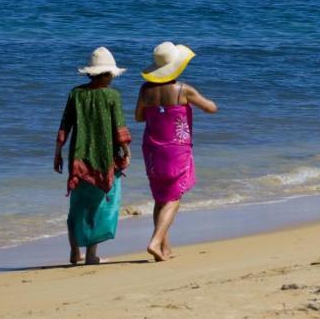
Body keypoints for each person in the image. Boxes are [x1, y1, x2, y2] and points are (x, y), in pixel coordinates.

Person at [135, 41, 217, 262]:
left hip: (152, 147)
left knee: (160, 196)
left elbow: (139, 117)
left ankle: (165, 249)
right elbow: (210, 108)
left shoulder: (145, 90)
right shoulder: (183, 89)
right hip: (176, 149)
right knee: (174, 197)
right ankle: (155, 241)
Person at [54, 47, 132, 265]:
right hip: (104, 159)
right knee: (100, 206)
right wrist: (126, 152)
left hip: (78, 159)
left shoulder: (76, 94)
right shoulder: (112, 96)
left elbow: (64, 126)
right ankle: (90, 255)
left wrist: (58, 153)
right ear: (106, 74)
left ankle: (73, 251)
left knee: (77, 205)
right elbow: (119, 130)